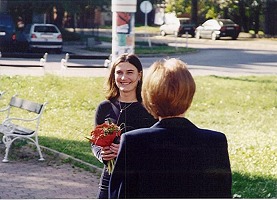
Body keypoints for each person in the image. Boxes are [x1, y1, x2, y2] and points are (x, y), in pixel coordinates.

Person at [109, 58, 232, 198]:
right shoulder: (215, 142)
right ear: (189, 94)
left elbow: (119, 196)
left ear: (149, 97)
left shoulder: (133, 142)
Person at [91, 53, 157, 199]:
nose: (123, 78)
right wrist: (101, 155)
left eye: (130, 72)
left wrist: (127, 151)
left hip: (139, 180)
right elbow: (95, 142)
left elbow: (155, 148)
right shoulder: (104, 107)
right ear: (113, 76)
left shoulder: (150, 109)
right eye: (119, 72)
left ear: (139, 75)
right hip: (109, 179)